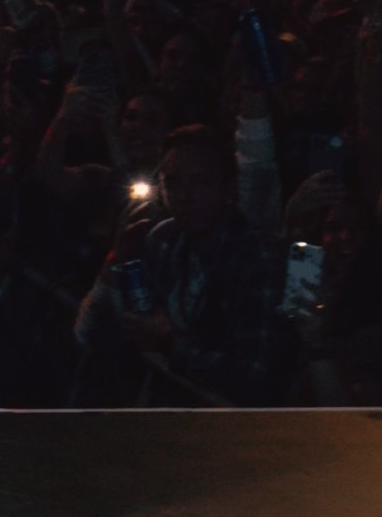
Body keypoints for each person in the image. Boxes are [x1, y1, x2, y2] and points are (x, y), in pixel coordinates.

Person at [73, 123, 285, 404]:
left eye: (200, 182)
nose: (185, 197)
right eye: (173, 183)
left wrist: (171, 344)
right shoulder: (163, 239)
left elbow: (253, 378)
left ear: (228, 186)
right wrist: (115, 260)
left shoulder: (257, 255)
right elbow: (91, 335)